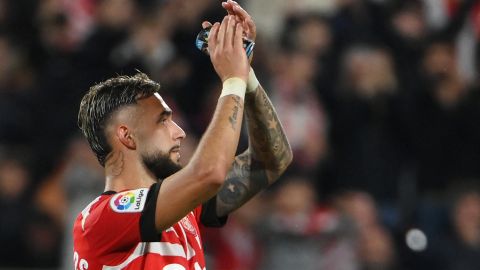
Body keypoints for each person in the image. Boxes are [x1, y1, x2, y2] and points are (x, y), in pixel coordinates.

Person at [73, 1, 292, 269]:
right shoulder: (100, 220)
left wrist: (246, 75)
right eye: (163, 122)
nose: (179, 133)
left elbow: (271, 160)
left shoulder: (186, 210)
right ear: (127, 136)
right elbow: (209, 172)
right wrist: (232, 79)